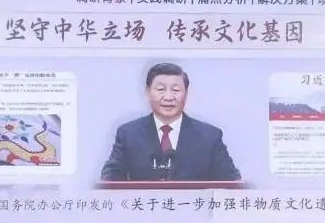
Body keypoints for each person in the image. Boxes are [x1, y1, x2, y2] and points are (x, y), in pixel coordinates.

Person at [100, 62, 241, 181]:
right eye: (160, 89)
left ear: (186, 93)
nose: (168, 97)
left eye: (176, 90)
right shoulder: (128, 134)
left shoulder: (210, 137)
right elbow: (110, 179)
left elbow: (232, 183)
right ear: (148, 92)